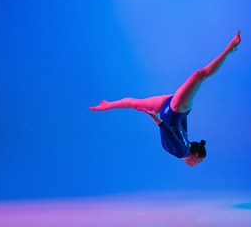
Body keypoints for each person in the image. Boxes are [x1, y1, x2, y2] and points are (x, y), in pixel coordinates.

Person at [89, 31, 241, 167]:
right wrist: (165, 115)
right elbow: (170, 131)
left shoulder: (185, 147)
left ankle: (107, 105)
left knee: (135, 103)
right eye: (199, 162)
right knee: (200, 75)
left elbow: (176, 131)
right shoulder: (182, 151)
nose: (197, 164)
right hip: (175, 108)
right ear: (195, 156)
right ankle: (229, 49)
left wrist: (181, 112)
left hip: (169, 108)